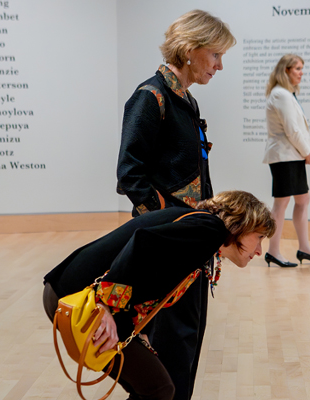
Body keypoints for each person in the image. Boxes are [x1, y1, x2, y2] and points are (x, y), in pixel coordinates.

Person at [43, 191, 276, 400]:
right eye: (259, 237)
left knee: (154, 387)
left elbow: (150, 275)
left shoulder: (200, 229)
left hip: (70, 293)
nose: (259, 250)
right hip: (78, 298)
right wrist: (105, 303)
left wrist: (140, 331)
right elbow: (141, 244)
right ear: (243, 224)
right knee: (158, 389)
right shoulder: (209, 229)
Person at [115, 10, 236, 399]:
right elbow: (130, 176)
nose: (220, 65)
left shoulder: (187, 101)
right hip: (168, 251)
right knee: (166, 351)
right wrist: (169, 230)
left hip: (191, 249)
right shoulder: (150, 97)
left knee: (184, 348)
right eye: (215, 54)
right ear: (189, 49)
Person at [263, 54, 310, 268]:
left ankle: (304, 248)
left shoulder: (286, 94)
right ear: (286, 70)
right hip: (284, 157)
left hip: (291, 156)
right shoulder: (280, 94)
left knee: (303, 199)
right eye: (297, 68)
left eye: (302, 68)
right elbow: (293, 129)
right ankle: (273, 251)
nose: (301, 72)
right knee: (281, 203)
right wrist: (307, 152)